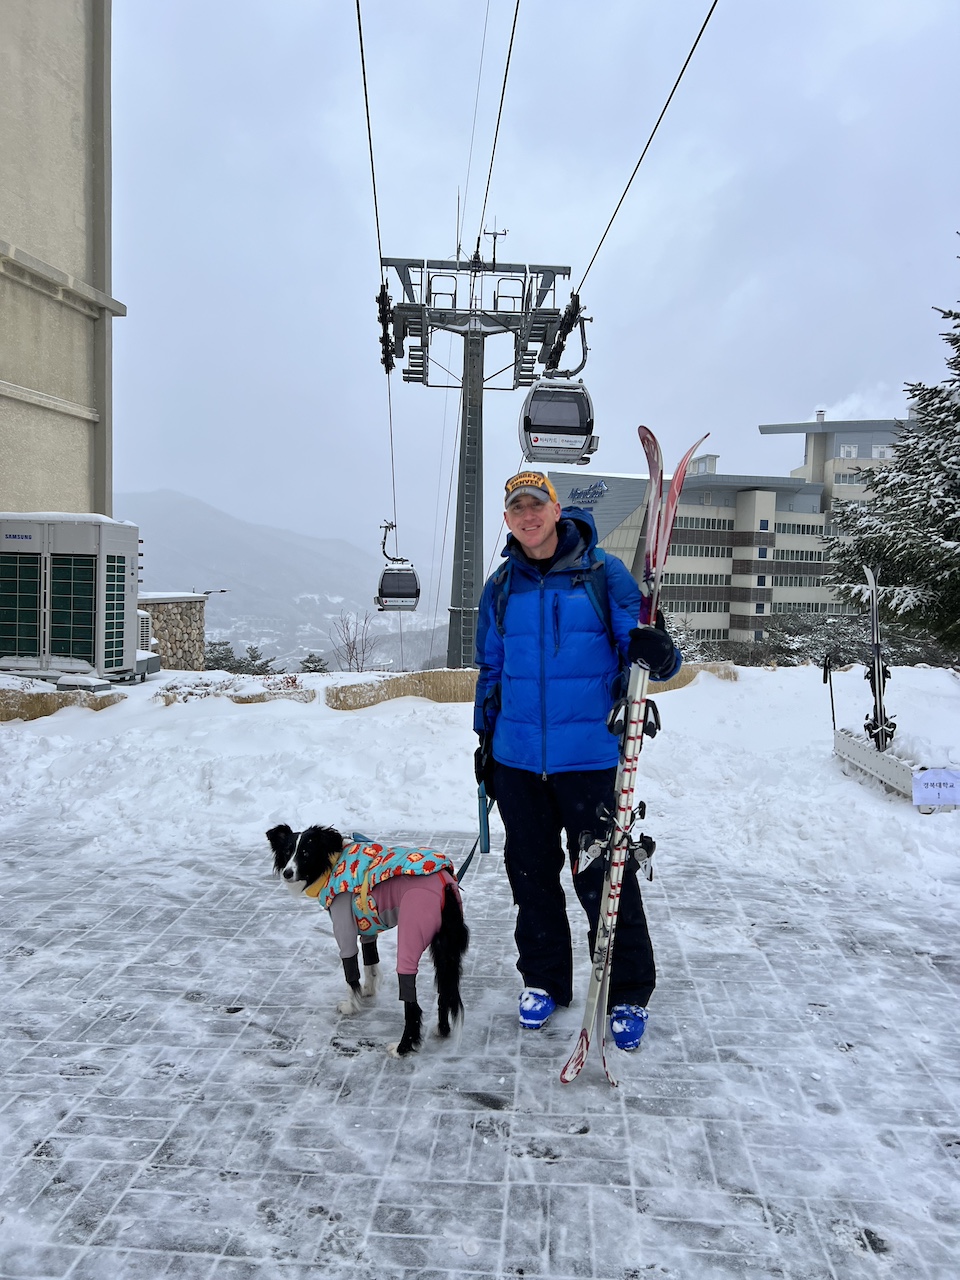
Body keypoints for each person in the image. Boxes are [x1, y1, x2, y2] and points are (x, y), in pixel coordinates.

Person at [473, 470, 681, 1051]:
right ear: (508, 519)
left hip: (589, 760)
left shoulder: (601, 573)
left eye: (536, 504)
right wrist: (484, 746)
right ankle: (543, 980)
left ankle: (627, 990)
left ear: (556, 509)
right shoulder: (501, 587)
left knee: (606, 877)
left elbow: (648, 653)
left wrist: (659, 651)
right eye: (517, 508)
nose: (528, 515)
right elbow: (490, 673)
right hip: (517, 762)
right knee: (531, 879)